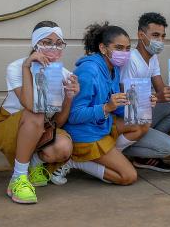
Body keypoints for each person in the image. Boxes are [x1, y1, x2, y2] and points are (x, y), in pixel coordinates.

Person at [0, 21, 79, 204]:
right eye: (47, 42)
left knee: (63, 147)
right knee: (36, 111)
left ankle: (35, 163)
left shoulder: (64, 74)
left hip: (41, 127)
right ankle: (18, 178)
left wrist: (70, 96)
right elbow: (29, 104)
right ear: (35, 44)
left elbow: (58, 123)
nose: (53, 47)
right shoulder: (16, 67)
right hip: (9, 124)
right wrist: (26, 68)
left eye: (58, 43)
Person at [57, 23, 151, 185]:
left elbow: (115, 106)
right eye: (119, 48)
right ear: (103, 48)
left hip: (102, 126)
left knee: (142, 123)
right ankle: (75, 161)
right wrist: (106, 107)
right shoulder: (89, 70)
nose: (125, 53)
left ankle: (104, 156)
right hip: (84, 134)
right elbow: (73, 116)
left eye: (128, 49)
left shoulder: (113, 68)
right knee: (128, 177)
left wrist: (143, 102)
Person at [119, 12, 170, 173]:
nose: (160, 41)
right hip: (128, 119)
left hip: (143, 115)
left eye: (162, 36)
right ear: (141, 35)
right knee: (168, 146)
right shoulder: (131, 60)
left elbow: (161, 90)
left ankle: (145, 153)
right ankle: (125, 148)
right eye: (155, 35)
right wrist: (159, 97)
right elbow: (127, 102)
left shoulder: (152, 57)